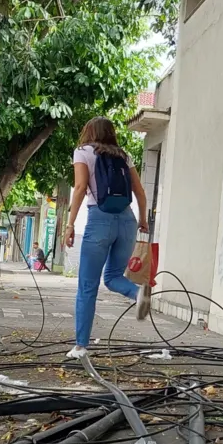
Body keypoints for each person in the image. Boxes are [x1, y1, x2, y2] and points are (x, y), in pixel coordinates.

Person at [63, 117, 149, 358]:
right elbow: (139, 192)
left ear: (89, 132)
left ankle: (80, 346)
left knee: (87, 286)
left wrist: (70, 225)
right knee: (112, 277)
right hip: (127, 221)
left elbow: (80, 188)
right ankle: (138, 293)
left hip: (99, 220)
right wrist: (143, 219)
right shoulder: (123, 155)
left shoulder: (83, 152)